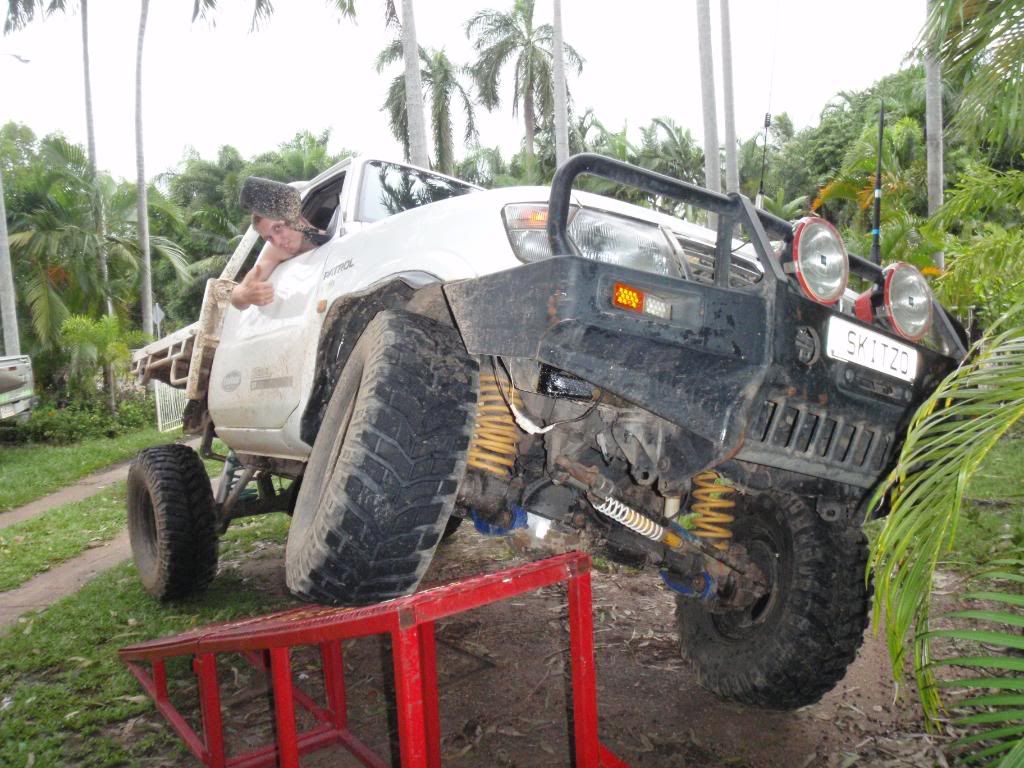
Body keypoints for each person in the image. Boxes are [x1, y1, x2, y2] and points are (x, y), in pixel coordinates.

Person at [231, 175, 330, 310]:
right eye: (268, 238)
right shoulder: (277, 252)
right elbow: (237, 294)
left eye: (278, 228)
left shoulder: (334, 231)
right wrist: (246, 295)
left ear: (296, 218)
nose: (277, 241)